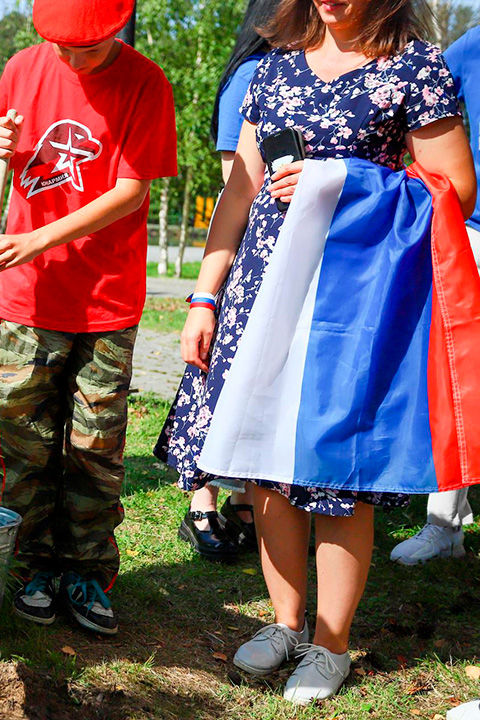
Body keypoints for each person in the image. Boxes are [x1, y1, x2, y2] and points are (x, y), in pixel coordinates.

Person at [155, 0, 475, 704]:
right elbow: (238, 192)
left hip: (349, 302)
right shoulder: (271, 70)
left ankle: (330, 645)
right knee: (262, 465)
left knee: (337, 472)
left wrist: (346, 179)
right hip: (262, 288)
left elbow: (455, 188)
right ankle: (285, 623)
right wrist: (206, 296)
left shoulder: (415, 68)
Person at [0, 0, 177, 636]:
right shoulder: (20, 68)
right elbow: (4, 151)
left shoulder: (145, 83)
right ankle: (29, 565)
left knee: (94, 448)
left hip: (104, 301)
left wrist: (38, 240)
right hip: (28, 299)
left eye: (85, 49)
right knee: (24, 443)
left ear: (117, 27)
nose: (68, 58)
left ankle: (87, 571)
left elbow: (130, 191)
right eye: (58, 45)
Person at [179, 0, 281, 563]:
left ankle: (246, 503)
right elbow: (234, 184)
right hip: (248, 255)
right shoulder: (251, 75)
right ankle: (201, 502)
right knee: (215, 379)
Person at [390, 25, 480, 568]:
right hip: (474, 232)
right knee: (457, 376)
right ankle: (445, 523)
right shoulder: (469, 47)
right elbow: (412, 116)